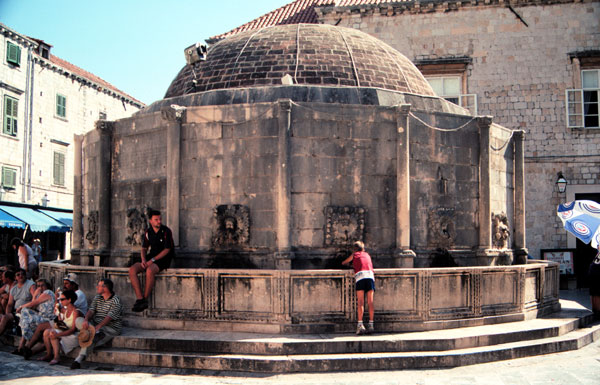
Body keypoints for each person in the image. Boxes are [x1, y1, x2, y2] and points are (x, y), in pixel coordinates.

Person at [128, 210, 174, 312]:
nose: (159, 221)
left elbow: (167, 249)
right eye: (156, 220)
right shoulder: (148, 232)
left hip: (163, 258)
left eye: (160, 219)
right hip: (151, 256)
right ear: (150, 221)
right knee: (132, 270)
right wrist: (144, 259)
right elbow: (144, 248)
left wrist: (151, 261)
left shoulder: (166, 231)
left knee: (150, 270)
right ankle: (140, 299)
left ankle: (145, 298)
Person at [71, 278, 123, 369]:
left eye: (99, 285)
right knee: (78, 320)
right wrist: (86, 319)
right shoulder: (97, 297)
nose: (97, 287)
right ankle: (91, 331)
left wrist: (98, 327)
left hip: (109, 327)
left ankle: (79, 358)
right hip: (94, 324)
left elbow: (109, 317)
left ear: (105, 288)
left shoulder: (116, 300)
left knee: (92, 338)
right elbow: (91, 310)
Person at [39, 290, 82, 365]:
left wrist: (58, 335)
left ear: (69, 300)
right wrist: (56, 299)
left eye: (62, 299)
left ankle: (56, 357)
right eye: (60, 299)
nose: (60, 301)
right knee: (46, 332)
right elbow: (57, 307)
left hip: (74, 335)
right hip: (66, 331)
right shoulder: (65, 310)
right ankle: (49, 354)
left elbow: (73, 329)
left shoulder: (76, 312)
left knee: (53, 333)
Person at [14, 279, 55, 357]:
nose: (40, 288)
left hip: (47, 318)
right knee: (26, 317)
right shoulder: (40, 295)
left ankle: (22, 345)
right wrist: (35, 295)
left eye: (42, 285)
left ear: (47, 286)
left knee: (25, 313)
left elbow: (34, 303)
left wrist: (21, 306)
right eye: (38, 286)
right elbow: (33, 306)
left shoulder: (48, 292)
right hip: (41, 317)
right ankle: (22, 346)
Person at [342, 241, 375, 335]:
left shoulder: (355, 255)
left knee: (360, 302)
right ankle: (371, 324)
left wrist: (349, 264)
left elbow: (344, 262)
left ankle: (360, 325)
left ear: (355, 249)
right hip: (370, 276)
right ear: (363, 248)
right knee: (370, 302)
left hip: (361, 277)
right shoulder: (367, 255)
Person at [0, 268, 35, 336]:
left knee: (5, 318)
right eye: (18, 275)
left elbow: (35, 300)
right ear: (15, 277)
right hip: (16, 311)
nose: (20, 276)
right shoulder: (14, 289)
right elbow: (10, 304)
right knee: (4, 317)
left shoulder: (31, 285)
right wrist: (8, 315)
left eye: (22, 274)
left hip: (27, 311)